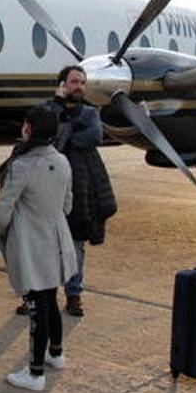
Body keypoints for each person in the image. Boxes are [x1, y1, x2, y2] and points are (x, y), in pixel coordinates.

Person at [0, 105, 78, 392]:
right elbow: (67, 205)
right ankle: (56, 353)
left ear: (29, 129)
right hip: (57, 243)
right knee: (50, 300)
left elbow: (3, 214)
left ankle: (35, 372)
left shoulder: (22, 165)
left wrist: (4, 232)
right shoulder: (63, 161)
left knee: (36, 308)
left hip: (32, 247)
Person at [49, 66, 117, 317]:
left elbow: (94, 136)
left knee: (76, 244)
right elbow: (49, 134)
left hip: (80, 189)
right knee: (43, 245)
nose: (78, 86)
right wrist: (60, 113)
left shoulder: (90, 112)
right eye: (73, 81)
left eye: (82, 82)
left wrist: (65, 135)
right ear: (61, 84)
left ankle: (73, 295)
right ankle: (38, 294)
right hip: (50, 187)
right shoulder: (49, 109)